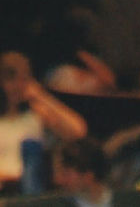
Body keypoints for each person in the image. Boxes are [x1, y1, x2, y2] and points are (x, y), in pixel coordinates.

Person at [0, 50, 87, 193]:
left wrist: (41, 96)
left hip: (32, 187)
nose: (18, 85)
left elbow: (78, 131)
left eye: (24, 78)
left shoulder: (38, 115)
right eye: (11, 78)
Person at [53, 138, 113, 207]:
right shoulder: (54, 204)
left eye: (65, 174)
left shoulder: (121, 200)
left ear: (88, 176)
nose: (57, 180)